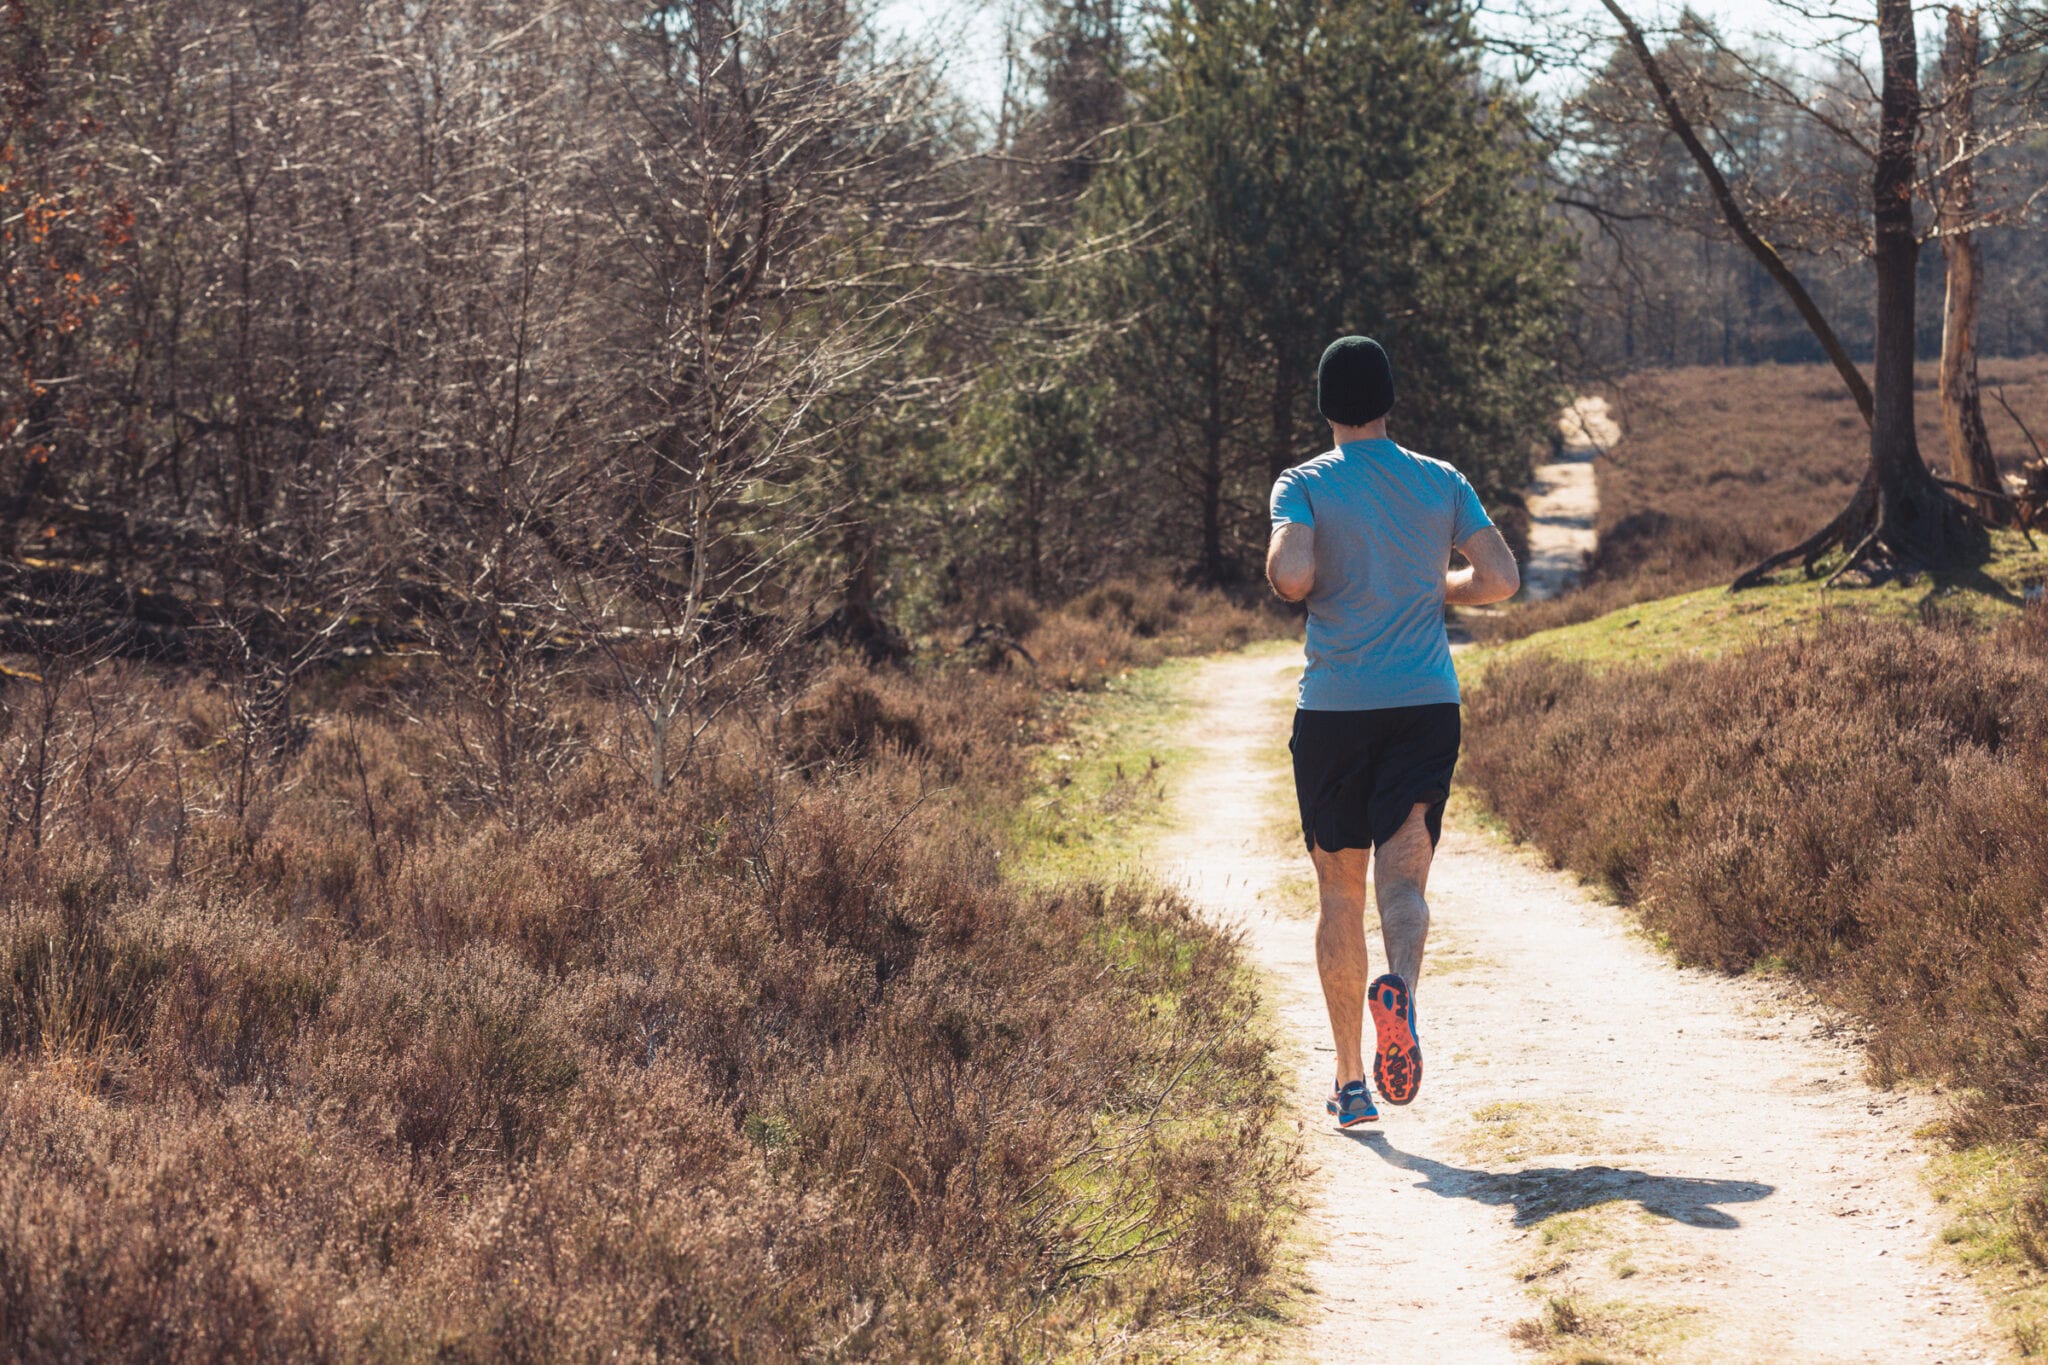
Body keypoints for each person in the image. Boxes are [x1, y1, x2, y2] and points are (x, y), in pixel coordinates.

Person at [1266, 336, 1520, 1127]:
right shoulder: (1441, 480)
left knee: (1339, 891)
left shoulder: (1303, 482)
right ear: (1389, 400)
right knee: (1403, 884)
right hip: (1423, 705)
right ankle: (1399, 992)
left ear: (1324, 405)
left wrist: (1303, 552)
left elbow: (1293, 577)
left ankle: (1350, 1085)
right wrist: (1430, 582)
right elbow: (1502, 580)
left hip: (1336, 709)